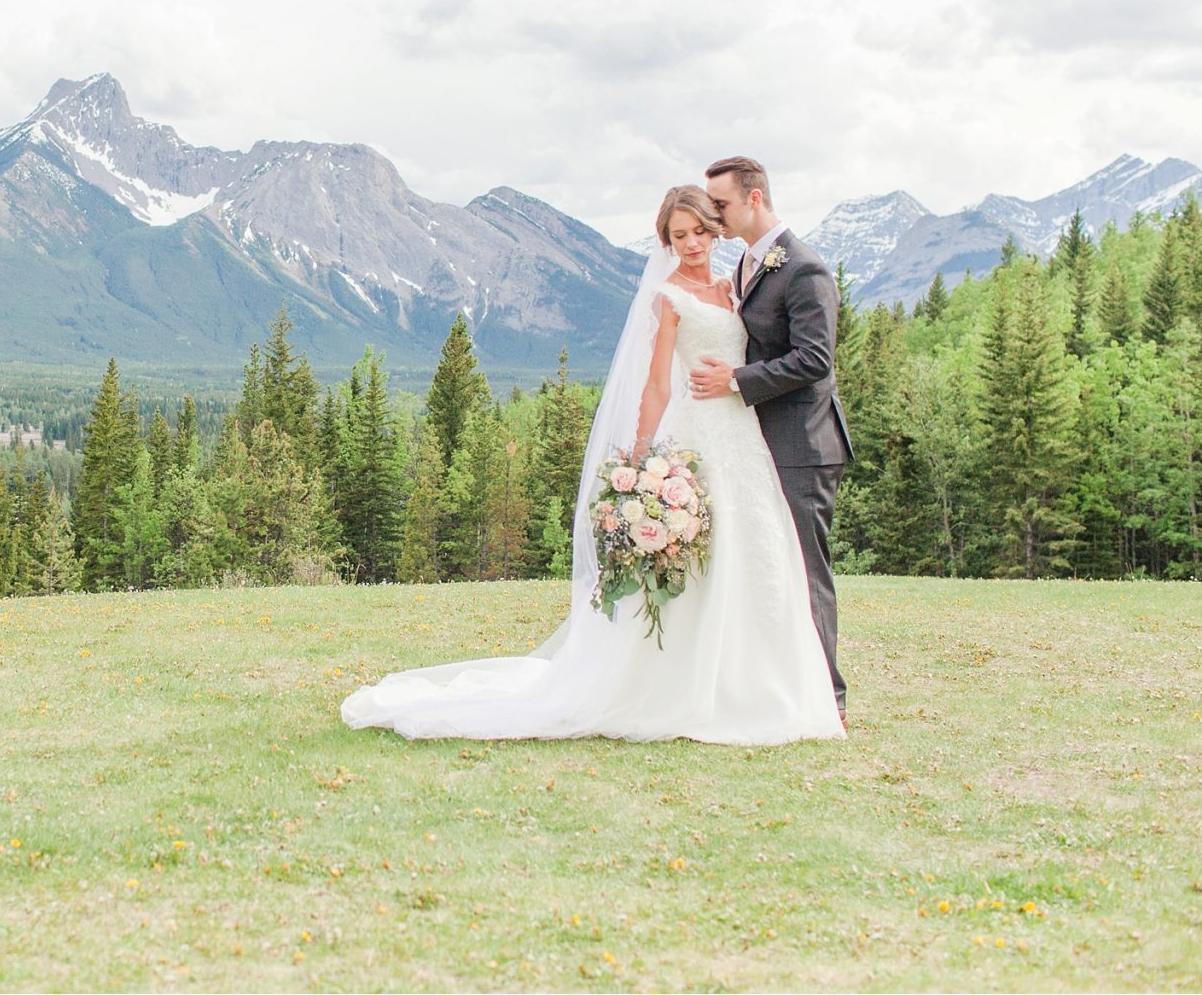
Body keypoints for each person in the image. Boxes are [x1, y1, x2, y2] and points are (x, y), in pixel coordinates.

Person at [338, 183, 844, 745]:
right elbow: (655, 385)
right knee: (704, 560)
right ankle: (683, 684)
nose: (692, 243)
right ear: (666, 241)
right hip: (699, 433)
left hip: (745, 437)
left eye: (701, 231)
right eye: (679, 236)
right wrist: (643, 453)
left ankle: (759, 682)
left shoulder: (734, 288)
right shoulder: (669, 296)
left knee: (758, 553)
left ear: (715, 229)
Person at [692, 156, 852, 726]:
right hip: (758, 442)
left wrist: (736, 382)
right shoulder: (747, 265)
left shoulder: (804, 269)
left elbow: (814, 359)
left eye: (721, 204)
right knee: (764, 567)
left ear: (754, 198)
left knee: (805, 570)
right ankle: (772, 683)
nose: (714, 215)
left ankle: (827, 697)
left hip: (803, 445)